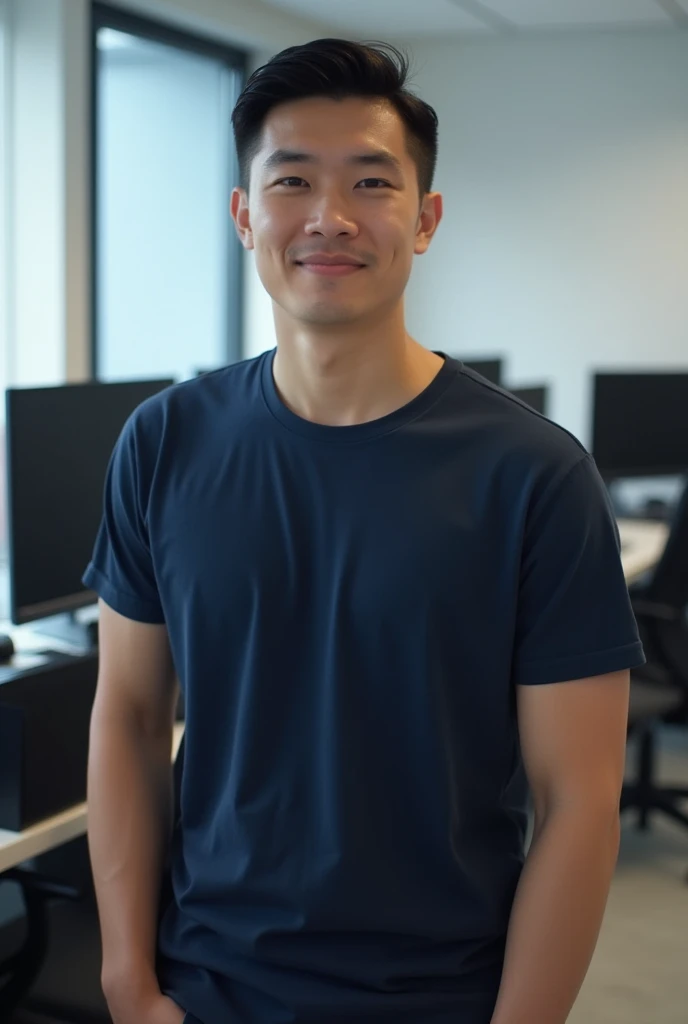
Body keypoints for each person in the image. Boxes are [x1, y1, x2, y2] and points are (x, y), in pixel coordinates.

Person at [84, 39, 645, 1024]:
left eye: (371, 183)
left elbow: (578, 803)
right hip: (204, 984)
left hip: (439, 996)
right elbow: (128, 717)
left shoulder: (534, 473)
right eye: (291, 178)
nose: (328, 218)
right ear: (242, 215)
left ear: (424, 220)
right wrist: (129, 983)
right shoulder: (164, 443)